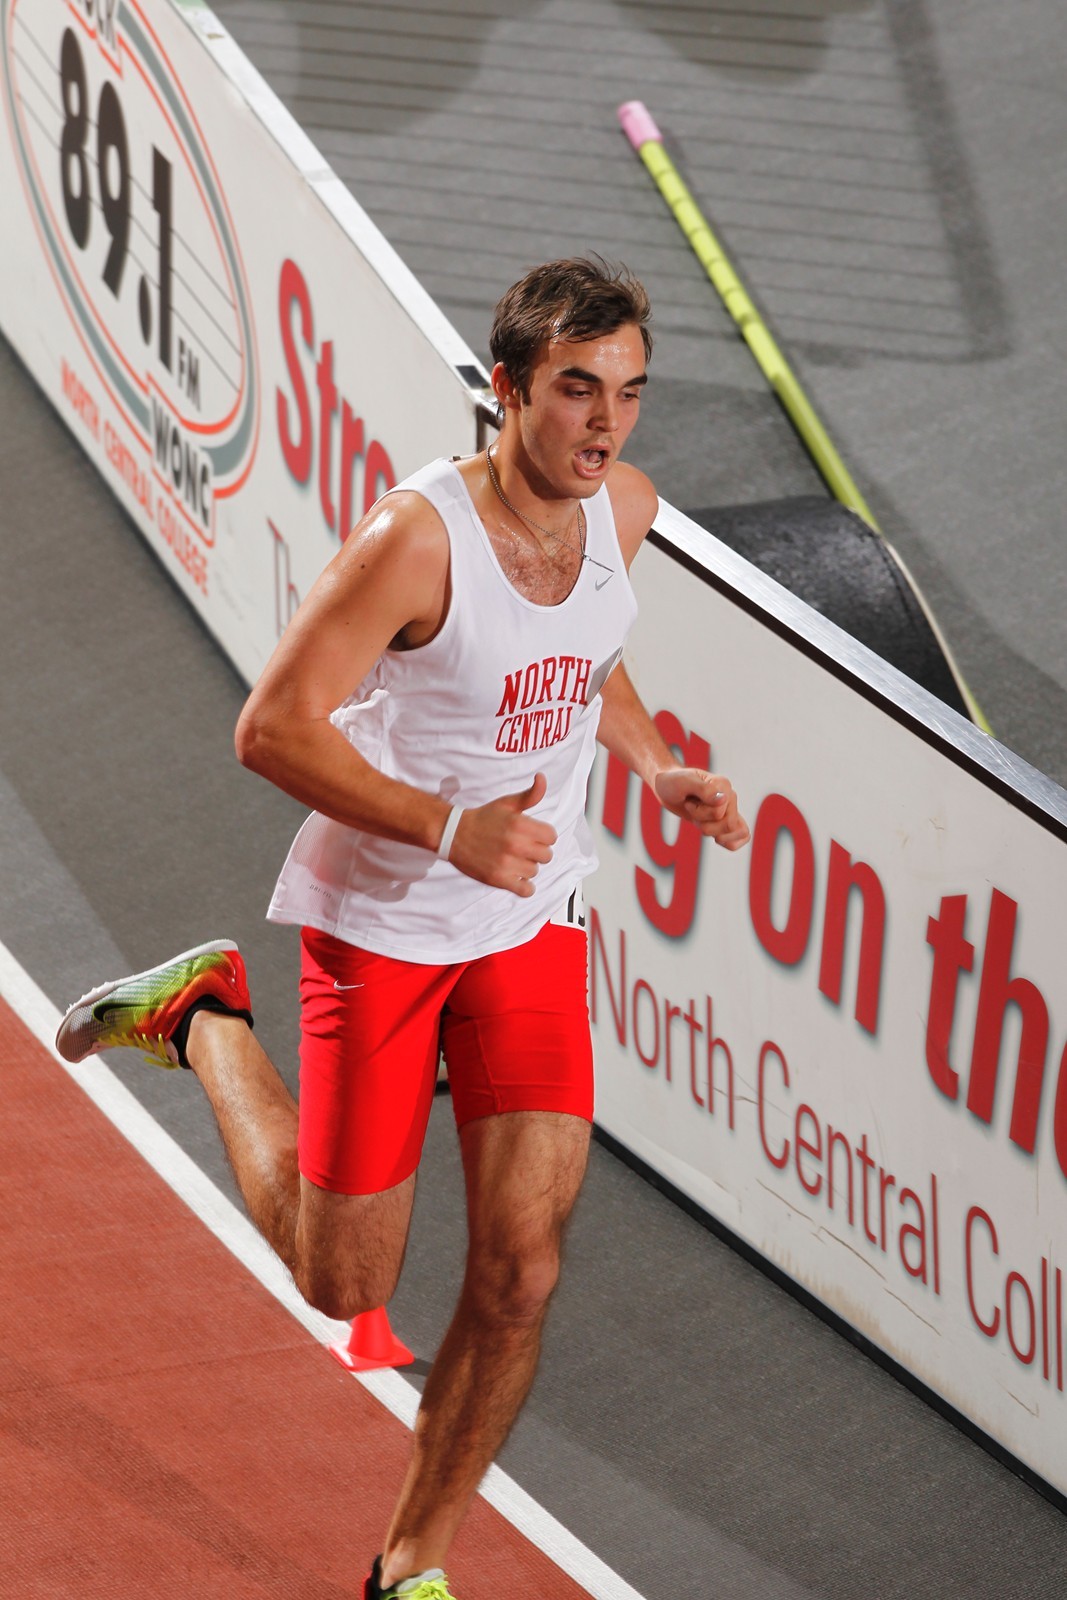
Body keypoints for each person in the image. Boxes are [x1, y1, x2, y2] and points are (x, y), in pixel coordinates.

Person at [56, 258, 750, 1599]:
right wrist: (447, 826)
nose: (604, 427)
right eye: (573, 392)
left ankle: (408, 1567)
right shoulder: (416, 540)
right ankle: (202, 1018)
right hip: (384, 922)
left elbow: (589, 662)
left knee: (523, 1271)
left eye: (629, 394)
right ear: (506, 390)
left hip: (528, 924)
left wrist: (655, 763)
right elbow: (271, 727)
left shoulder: (626, 509)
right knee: (340, 1277)